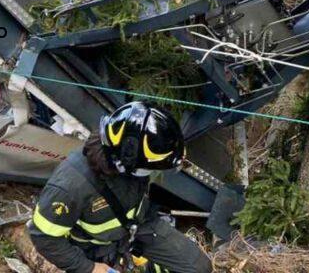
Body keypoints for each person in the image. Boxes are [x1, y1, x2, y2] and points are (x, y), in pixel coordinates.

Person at [29, 102, 212, 273]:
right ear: (124, 161)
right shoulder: (70, 186)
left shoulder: (132, 157)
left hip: (139, 226)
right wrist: (89, 268)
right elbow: (43, 237)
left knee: (199, 267)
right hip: (94, 249)